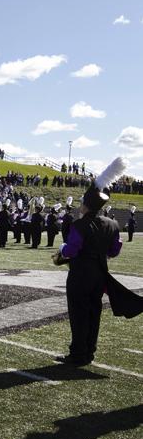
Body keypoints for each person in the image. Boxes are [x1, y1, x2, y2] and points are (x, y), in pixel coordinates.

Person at [52, 157, 142, 366]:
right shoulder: (111, 224)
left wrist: (61, 250)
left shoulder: (79, 225)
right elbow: (115, 249)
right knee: (94, 312)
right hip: (100, 273)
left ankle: (77, 354)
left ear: (87, 205)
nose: (80, 205)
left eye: (83, 202)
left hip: (81, 273)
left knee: (78, 313)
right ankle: (89, 352)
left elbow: (71, 250)